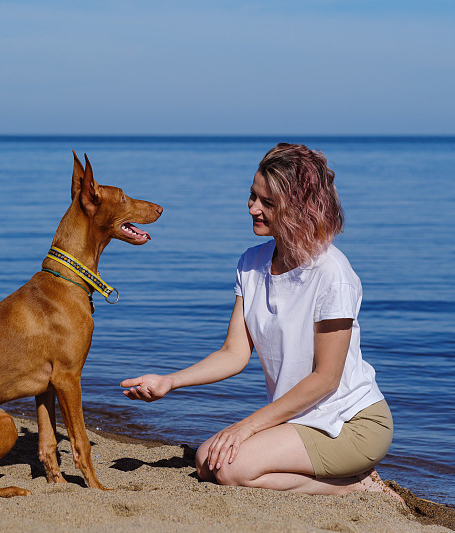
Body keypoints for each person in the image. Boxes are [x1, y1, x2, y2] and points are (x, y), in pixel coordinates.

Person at [121, 143, 402, 500]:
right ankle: (344, 480)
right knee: (208, 461)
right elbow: (234, 353)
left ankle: (357, 485)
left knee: (230, 468)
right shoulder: (251, 264)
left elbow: (326, 378)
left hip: (350, 423)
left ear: (298, 207)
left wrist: (245, 428)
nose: (252, 208)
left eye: (267, 202)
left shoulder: (333, 274)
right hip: (300, 418)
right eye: (252, 197)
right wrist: (169, 382)